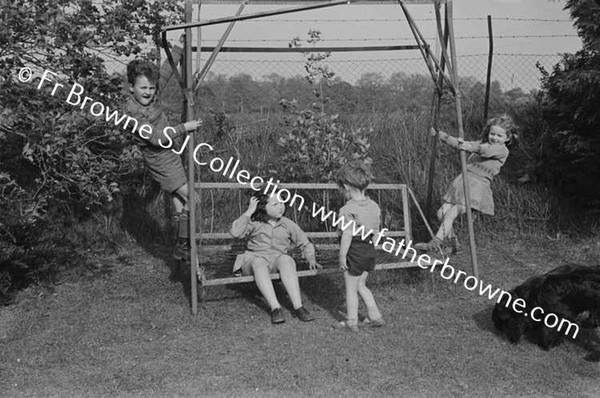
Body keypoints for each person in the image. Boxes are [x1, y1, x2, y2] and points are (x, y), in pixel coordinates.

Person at [124, 60, 202, 260]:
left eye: (151, 87)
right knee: (193, 198)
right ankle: (183, 245)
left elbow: (164, 75)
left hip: (170, 156)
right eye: (143, 88)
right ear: (131, 88)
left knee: (179, 202)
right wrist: (185, 127)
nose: (148, 92)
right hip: (160, 159)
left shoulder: (150, 99)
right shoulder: (133, 114)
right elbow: (157, 138)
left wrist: (177, 49)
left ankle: (180, 243)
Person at [415, 114, 517, 253]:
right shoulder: (481, 143)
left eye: (499, 136)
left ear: (507, 138)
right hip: (462, 183)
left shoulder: (502, 150)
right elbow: (460, 143)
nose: (494, 138)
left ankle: (435, 243)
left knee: (451, 214)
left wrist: (468, 146)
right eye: (492, 134)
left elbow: (486, 152)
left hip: (477, 187)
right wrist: (442, 136)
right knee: (441, 213)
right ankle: (453, 243)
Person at [230, 192, 322, 324]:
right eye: (275, 204)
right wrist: (249, 212)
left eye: (282, 203)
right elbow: (235, 233)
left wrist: (311, 258)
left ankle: (298, 306)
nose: (281, 207)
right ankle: (275, 308)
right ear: (262, 206)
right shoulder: (254, 222)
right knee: (259, 262)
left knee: (287, 260)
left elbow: (305, 243)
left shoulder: (287, 224)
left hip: (275, 260)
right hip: (253, 260)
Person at [333, 160, 385, 332]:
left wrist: (342, 257)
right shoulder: (374, 206)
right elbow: (377, 230)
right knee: (361, 285)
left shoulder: (347, 209)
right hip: (369, 250)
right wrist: (372, 247)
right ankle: (375, 315)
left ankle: (351, 320)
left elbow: (347, 235)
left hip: (354, 250)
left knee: (350, 287)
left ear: (346, 186)